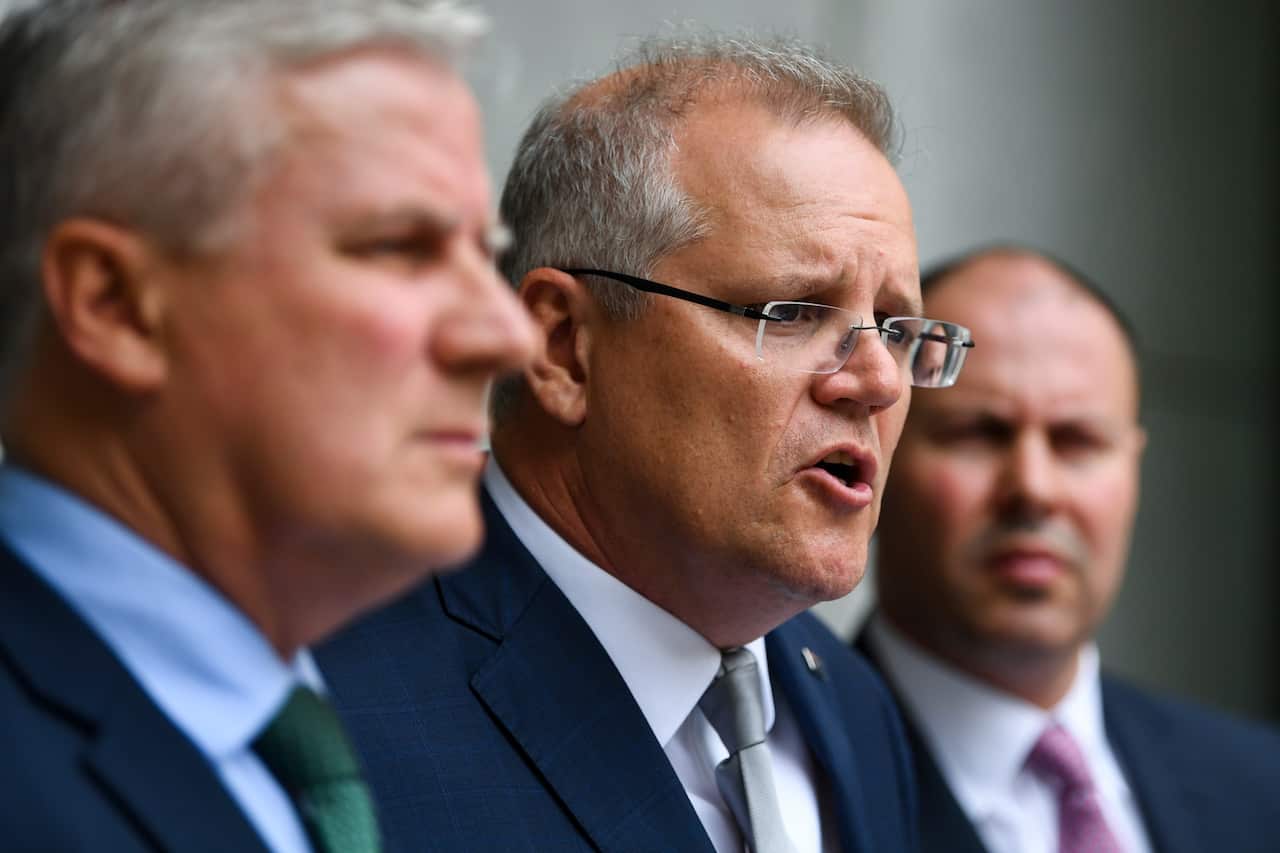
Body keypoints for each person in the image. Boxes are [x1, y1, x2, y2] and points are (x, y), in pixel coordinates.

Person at [319, 34, 975, 853]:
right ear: (563, 346)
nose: (876, 380)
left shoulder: (852, 704)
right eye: (793, 312)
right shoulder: (338, 693)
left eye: (897, 327)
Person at [0, 2, 535, 851]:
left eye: (484, 255)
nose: (509, 337)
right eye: (400, 246)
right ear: (114, 304)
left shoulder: (312, 738)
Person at [861, 245, 1280, 853]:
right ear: (880, 450)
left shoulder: (1258, 790)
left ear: (1134, 468)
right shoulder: (787, 776)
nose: (1034, 489)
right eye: (978, 433)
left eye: (1077, 440)